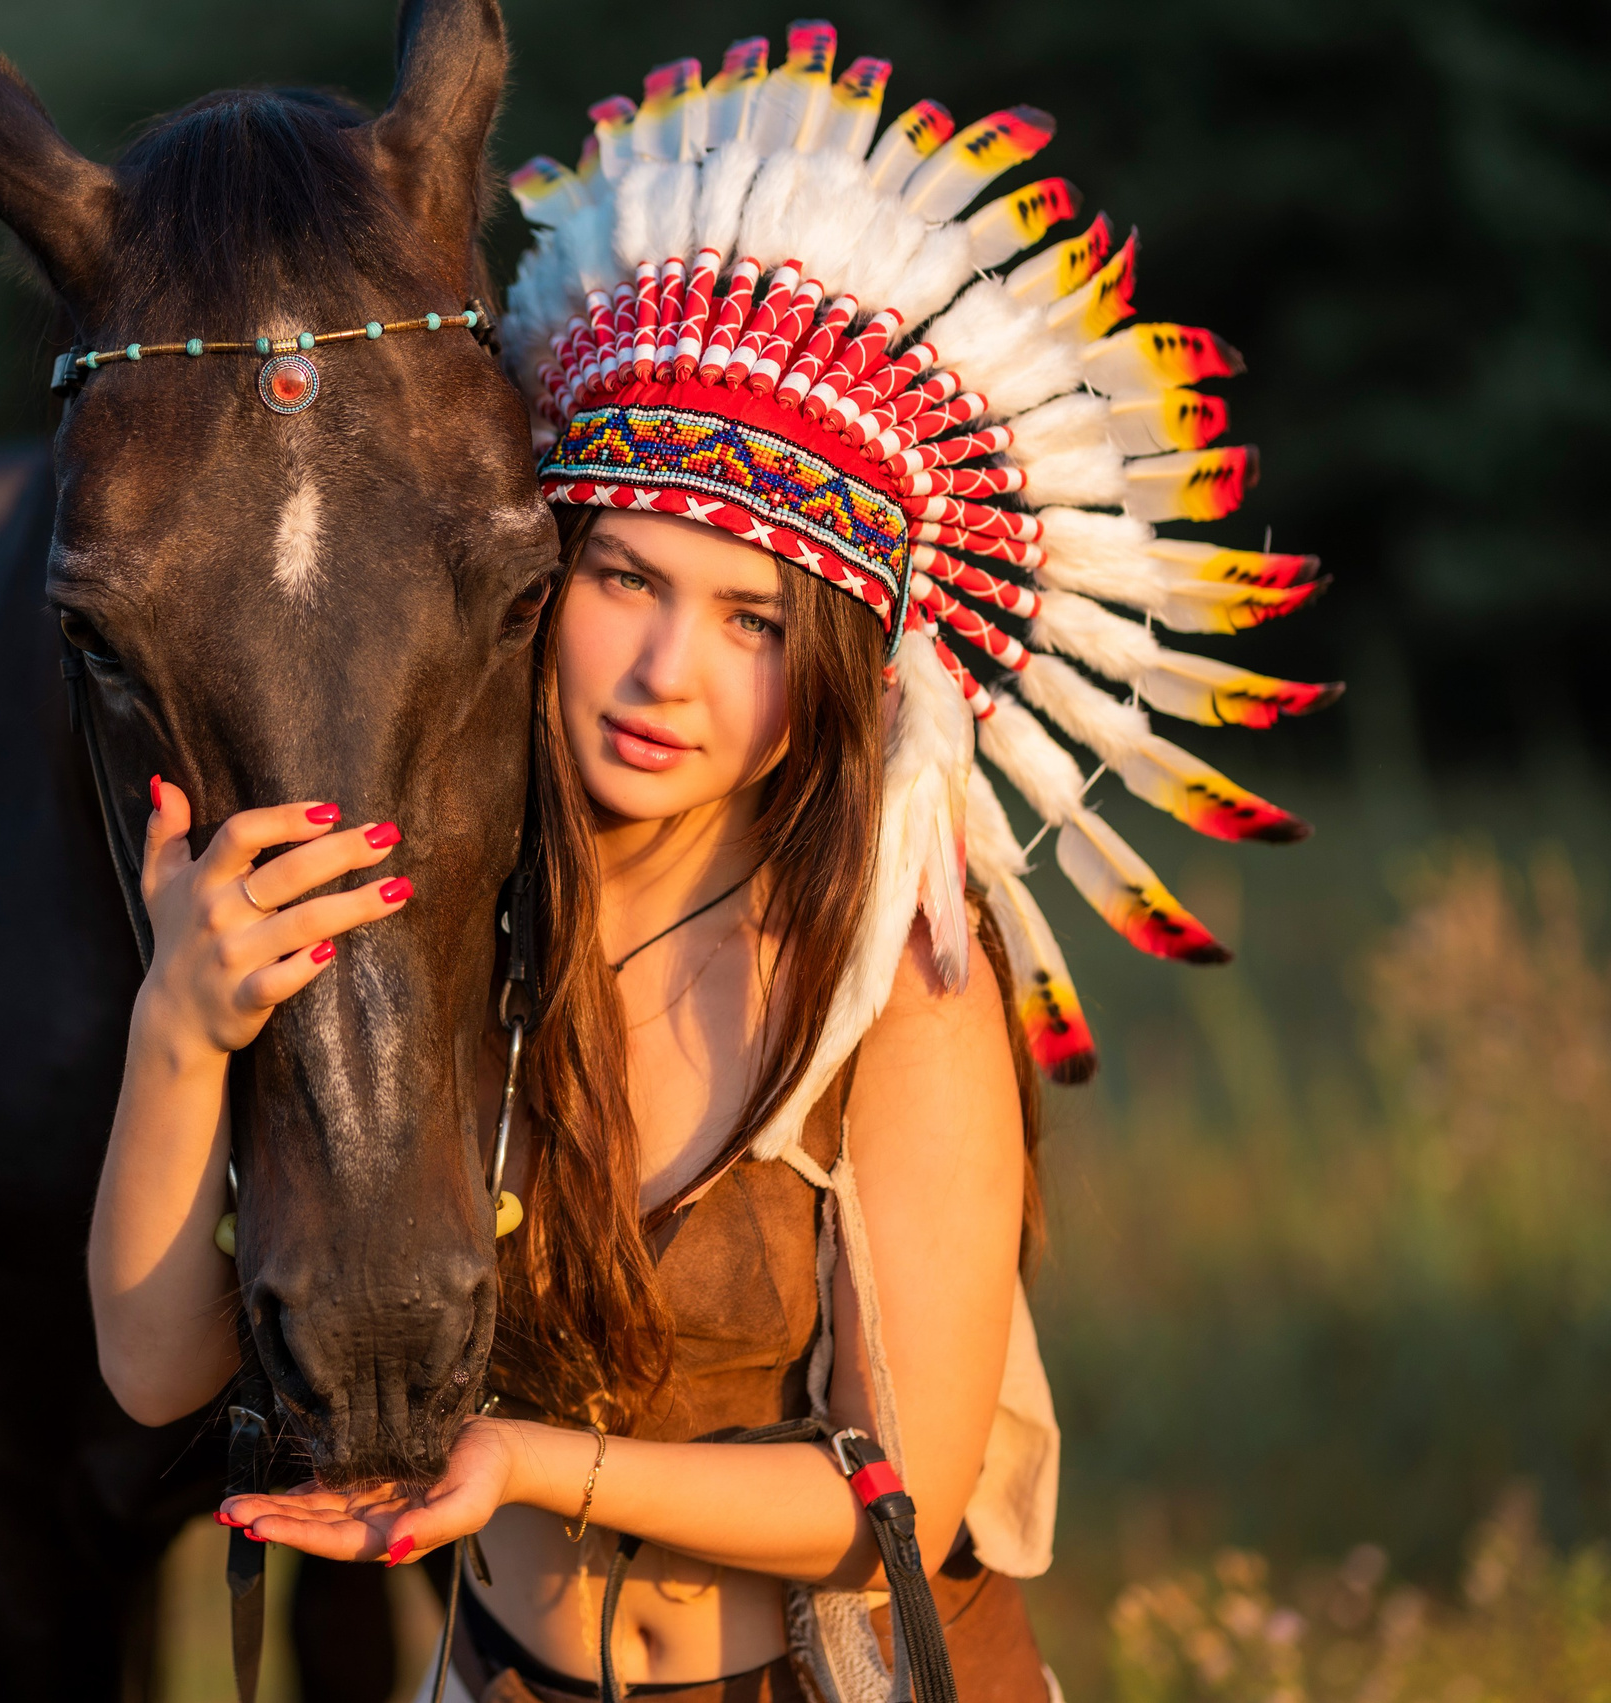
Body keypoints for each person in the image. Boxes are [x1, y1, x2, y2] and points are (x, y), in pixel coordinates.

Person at [88, 22, 1334, 1703]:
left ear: (831, 668)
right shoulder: (458, 926)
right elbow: (162, 1368)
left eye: (751, 620)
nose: (669, 671)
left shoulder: (890, 976)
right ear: (539, 581)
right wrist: (178, 1025)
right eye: (625, 580)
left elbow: (904, 1494)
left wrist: (522, 1469)